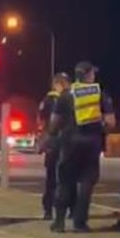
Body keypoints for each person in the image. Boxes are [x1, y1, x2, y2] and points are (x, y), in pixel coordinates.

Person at [48, 61, 116, 232]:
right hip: (92, 144)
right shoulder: (100, 93)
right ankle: (80, 223)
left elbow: (54, 123)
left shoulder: (66, 95)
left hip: (70, 143)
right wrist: (101, 130)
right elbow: (110, 122)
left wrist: (53, 136)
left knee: (64, 181)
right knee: (87, 183)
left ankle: (59, 222)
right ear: (89, 75)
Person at [37, 72, 71, 220]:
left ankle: (49, 210)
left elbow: (42, 121)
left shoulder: (48, 100)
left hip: (54, 141)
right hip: (64, 141)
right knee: (65, 177)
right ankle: (66, 209)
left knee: (52, 177)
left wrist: (43, 139)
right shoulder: (66, 98)